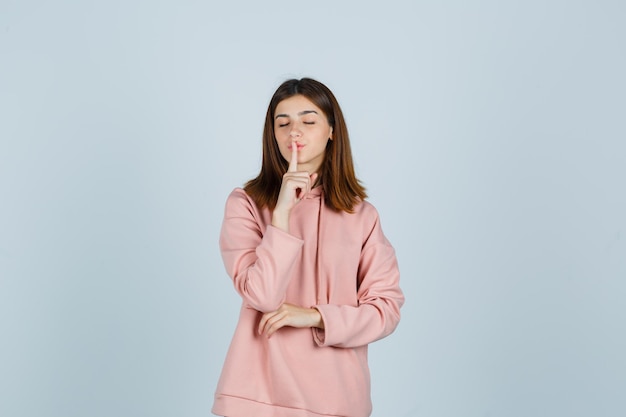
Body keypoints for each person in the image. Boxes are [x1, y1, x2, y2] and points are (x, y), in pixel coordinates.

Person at [212, 78, 404, 417]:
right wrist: (282, 213)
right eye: (282, 123)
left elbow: (386, 310)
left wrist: (315, 317)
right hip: (260, 397)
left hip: (338, 399)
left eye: (308, 120)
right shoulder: (245, 204)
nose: (293, 132)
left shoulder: (361, 216)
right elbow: (263, 296)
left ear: (332, 130)